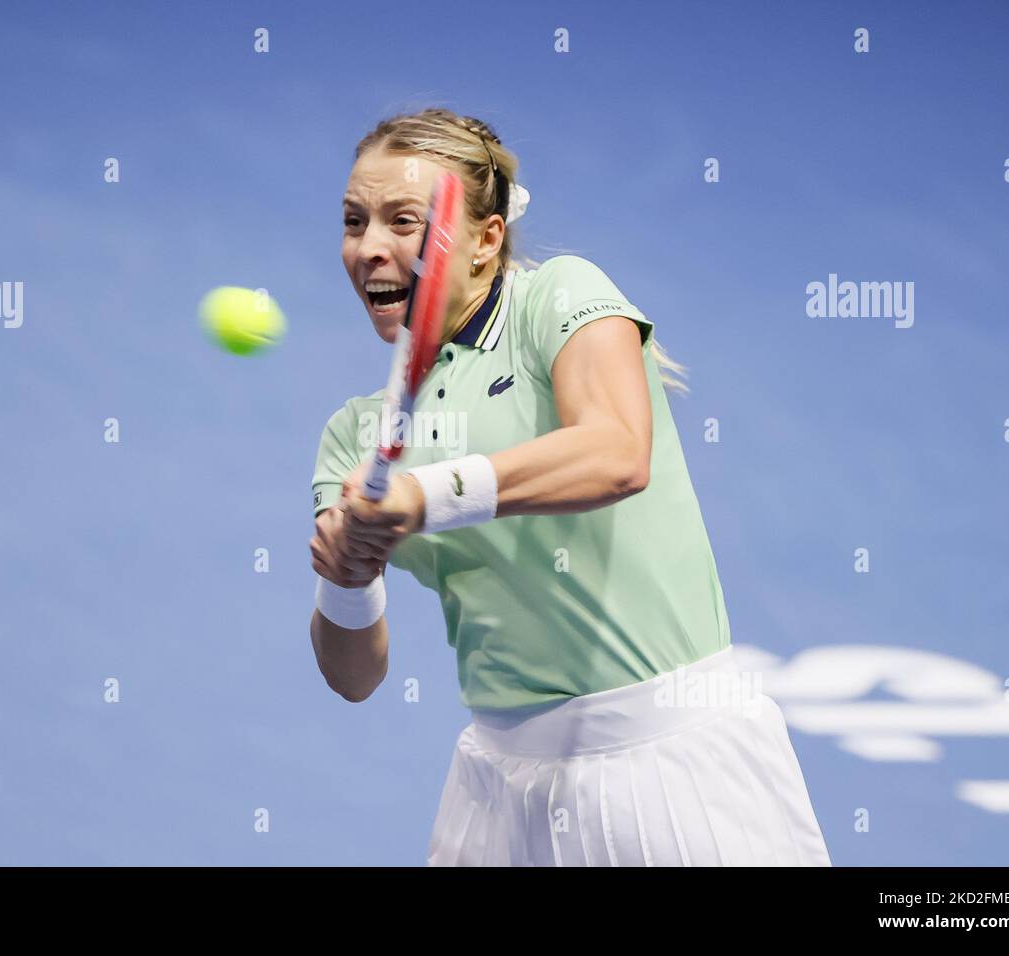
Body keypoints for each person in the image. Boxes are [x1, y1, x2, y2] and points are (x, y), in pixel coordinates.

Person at [309, 107, 831, 866]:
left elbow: (618, 452)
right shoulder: (351, 434)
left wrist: (426, 496)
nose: (370, 248)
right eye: (355, 222)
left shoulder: (559, 300)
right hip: (497, 794)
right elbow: (353, 677)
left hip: (671, 764)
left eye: (404, 221)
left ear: (486, 242)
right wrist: (348, 579)